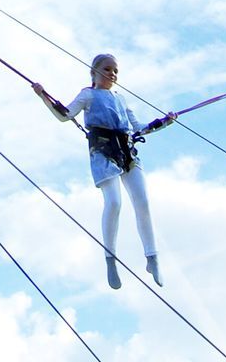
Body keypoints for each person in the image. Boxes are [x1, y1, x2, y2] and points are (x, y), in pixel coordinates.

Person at [32, 54, 175, 290]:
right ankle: (111, 260)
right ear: (94, 72)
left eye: (116, 71)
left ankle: (152, 257)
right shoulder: (88, 94)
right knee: (114, 203)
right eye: (107, 69)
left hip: (126, 151)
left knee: (143, 201)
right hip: (102, 152)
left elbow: (138, 128)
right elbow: (65, 115)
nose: (112, 74)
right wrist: (43, 96)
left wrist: (164, 121)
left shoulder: (121, 99)